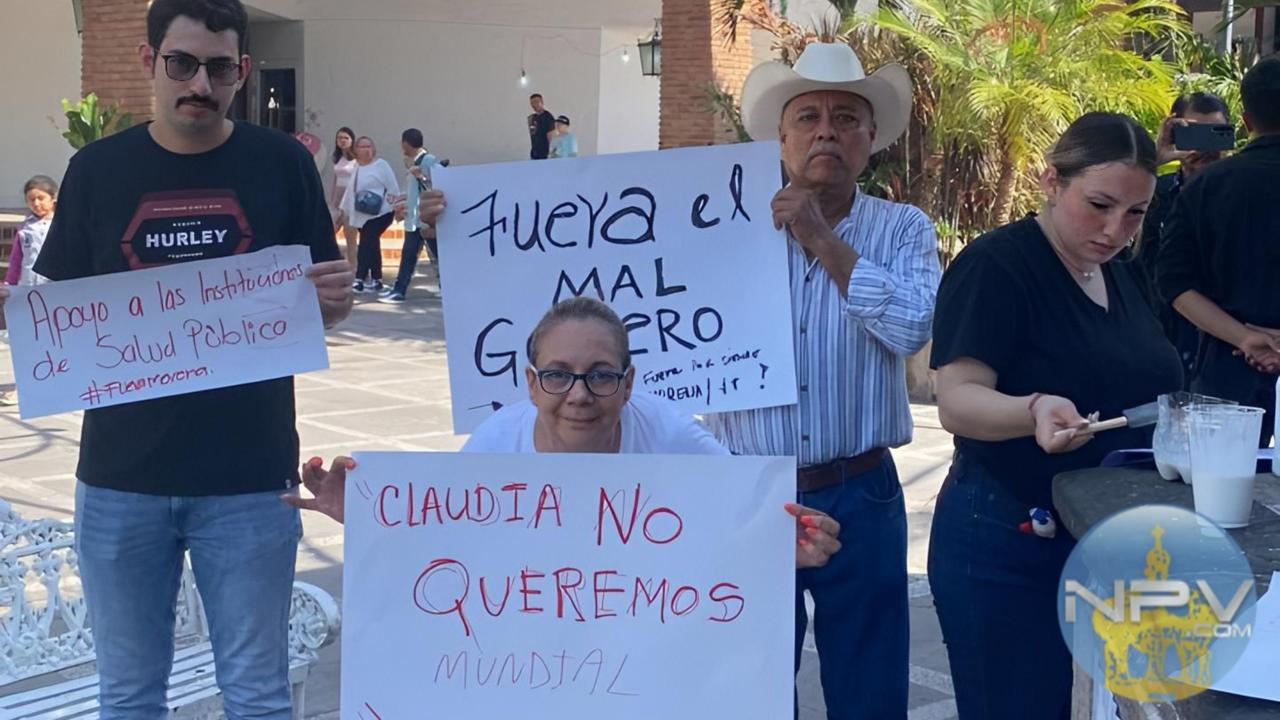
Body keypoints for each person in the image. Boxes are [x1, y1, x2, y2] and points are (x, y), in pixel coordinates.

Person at [0, 1, 354, 717]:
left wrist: (335, 302)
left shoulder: (282, 163)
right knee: (128, 697)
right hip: (120, 481)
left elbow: (327, 302)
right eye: (182, 63)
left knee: (257, 695)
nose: (200, 83)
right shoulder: (98, 170)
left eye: (219, 68)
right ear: (147, 62)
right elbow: (62, 309)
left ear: (242, 72)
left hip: (249, 481)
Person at [704, 41, 938, 720]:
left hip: (860, 491)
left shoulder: (902, 227)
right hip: (750, 490)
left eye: (845, 118)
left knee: (869, 688)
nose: (826, 131)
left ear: (871, 141)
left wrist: (822, 242)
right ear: (781, 137)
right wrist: (464, 236)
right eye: (807, 117)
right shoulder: (721, 227)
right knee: (749, 683)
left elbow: (911, 329)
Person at [929, 112, 1183, 719]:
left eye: (1135, 213)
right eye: (1098, 204)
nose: (1114, 228)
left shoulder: (1118, 273)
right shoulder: (998, 264)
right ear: (1050, 181)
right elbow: (956, 398)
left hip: (1104, 537)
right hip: (1006, 536)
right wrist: (1033, 408)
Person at [287, 297, 843, 571]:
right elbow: (443, 543)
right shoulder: (494, 446)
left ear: (628, 385)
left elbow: (744, 519)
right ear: (531, 384)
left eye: (600, 376)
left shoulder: (674, 439)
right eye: (557, 375)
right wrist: (366, 515)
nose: (578, 395)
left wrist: (785, 547)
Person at [1158, 58, 1280, 447]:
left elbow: (1174, 283)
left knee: (1218, 494)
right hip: (1227, 366)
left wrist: (1245, 338)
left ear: (1244, 121)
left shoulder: (1204, 188)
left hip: (1227, 373)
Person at [1128, 92, 1231, 382]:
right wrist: (1155, 160)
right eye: (1193, 132)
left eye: (1214, 133)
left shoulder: (1243, 195)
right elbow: (1130, 250)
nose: (1205, 146)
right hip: (1160, 333)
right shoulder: (1156, 191)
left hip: (1222, 337)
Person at [1, 175, 58, 406]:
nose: (36, 204)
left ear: (53, 198)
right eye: (31, 200)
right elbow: (16, 261)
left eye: (41, 198)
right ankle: (22, 385)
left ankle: (56, 382)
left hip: (54, 291)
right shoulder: (25, 229)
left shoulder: (60, 225)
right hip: (27, 291)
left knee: (54, 339)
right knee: (26, 339)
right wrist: (9, 285)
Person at [380, 127, 440, 303]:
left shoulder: (427, 160)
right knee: (412, 254)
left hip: (424, 217)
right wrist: (405, 197)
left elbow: (434, 185)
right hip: (415, 217)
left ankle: (400, 290)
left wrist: (419, 175)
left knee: (428, 254)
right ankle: (399, 289)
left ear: (406, 143)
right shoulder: (415, 160)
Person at [341, 135, 399, 294]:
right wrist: (345, 209)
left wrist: (389, 206)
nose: (366, 150)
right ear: (356, 150)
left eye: (369, 146)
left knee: (367, 242)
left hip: (381, 212)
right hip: (362, 213)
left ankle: (359, 278)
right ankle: (376, 279)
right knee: (371, 244)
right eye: (362, 147)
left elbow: (393, 188)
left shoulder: (381, 165)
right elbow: (351, 190)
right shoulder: (357, 167)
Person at [331, 126, 359, 268]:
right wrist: (332, 201)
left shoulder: (356, 160)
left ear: (352, 140)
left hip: (350, 202)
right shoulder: (337, 157)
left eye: (345, 138)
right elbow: (335, 180)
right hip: (337, 200)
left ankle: (353, 269)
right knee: (329, 232)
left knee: (350, 238)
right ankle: (337, 259)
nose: (342, 141)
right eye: (339, 138)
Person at [527, 93, 555, 160]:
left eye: (536, 102)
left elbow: (551, 137)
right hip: (535, 155)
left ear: (542, 102)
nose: (534, 105)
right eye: (532, 103)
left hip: (545, 155)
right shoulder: (533, 118)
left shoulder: (548, 117)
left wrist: (550, 154)